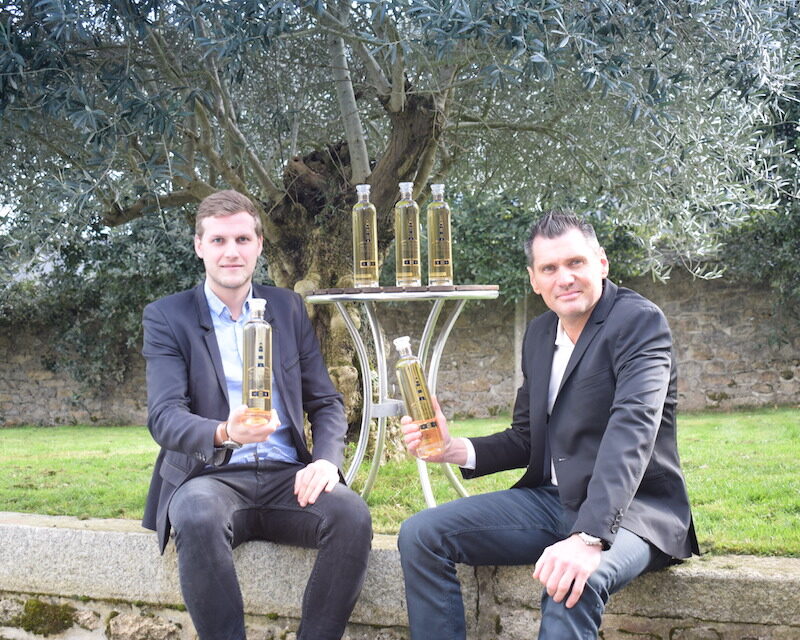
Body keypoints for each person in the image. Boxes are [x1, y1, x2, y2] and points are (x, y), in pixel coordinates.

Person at [398, 211, 698, 639]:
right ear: (534, 279)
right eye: (550, 269)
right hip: (552, 501)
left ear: (601, 263)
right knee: (421, 534)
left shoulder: (639, 323)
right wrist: (452, 448)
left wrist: (589, 537)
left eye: (576, 263)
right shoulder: (540, 334)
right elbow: (526, 437)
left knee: (574, 582)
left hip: (634, 512)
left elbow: (632, 431)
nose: (565, 278)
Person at [141, 189, 372, 640]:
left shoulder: (286, 308)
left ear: (259, 245)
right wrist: (226, 431)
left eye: (243, 239)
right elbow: (164, 417)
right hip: (212, 476)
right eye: (219, 240)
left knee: (351, 515)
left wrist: (326, 462)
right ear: (199, 246)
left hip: (290, 474)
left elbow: (325, 401)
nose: (232, 252)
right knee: (197, 514)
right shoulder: (168, 317)